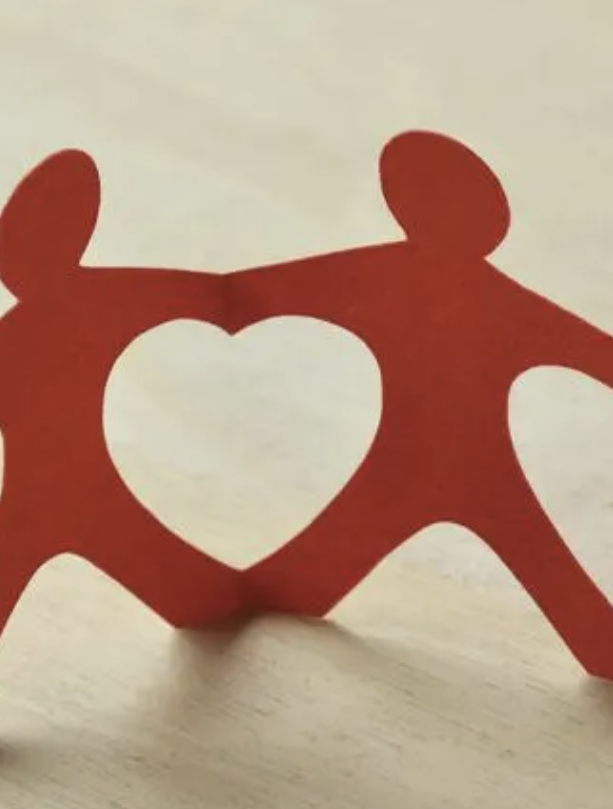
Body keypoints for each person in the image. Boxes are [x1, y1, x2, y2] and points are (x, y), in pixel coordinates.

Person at [226, 130, 613, 678]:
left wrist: (213, 301)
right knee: (530, 553)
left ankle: (267, 590)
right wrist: (214, 300)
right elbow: (262, 290)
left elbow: (253, 291)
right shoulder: (421, 282)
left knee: (335, 556)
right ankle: (266, 590)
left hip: (437, 465)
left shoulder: (414, 281)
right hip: (449, 466)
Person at [0, 150, 249, 761]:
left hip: (59, 496)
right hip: (68, 494)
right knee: (17, 591)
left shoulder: (55, 314)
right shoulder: (83, 304)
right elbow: (202, 295)